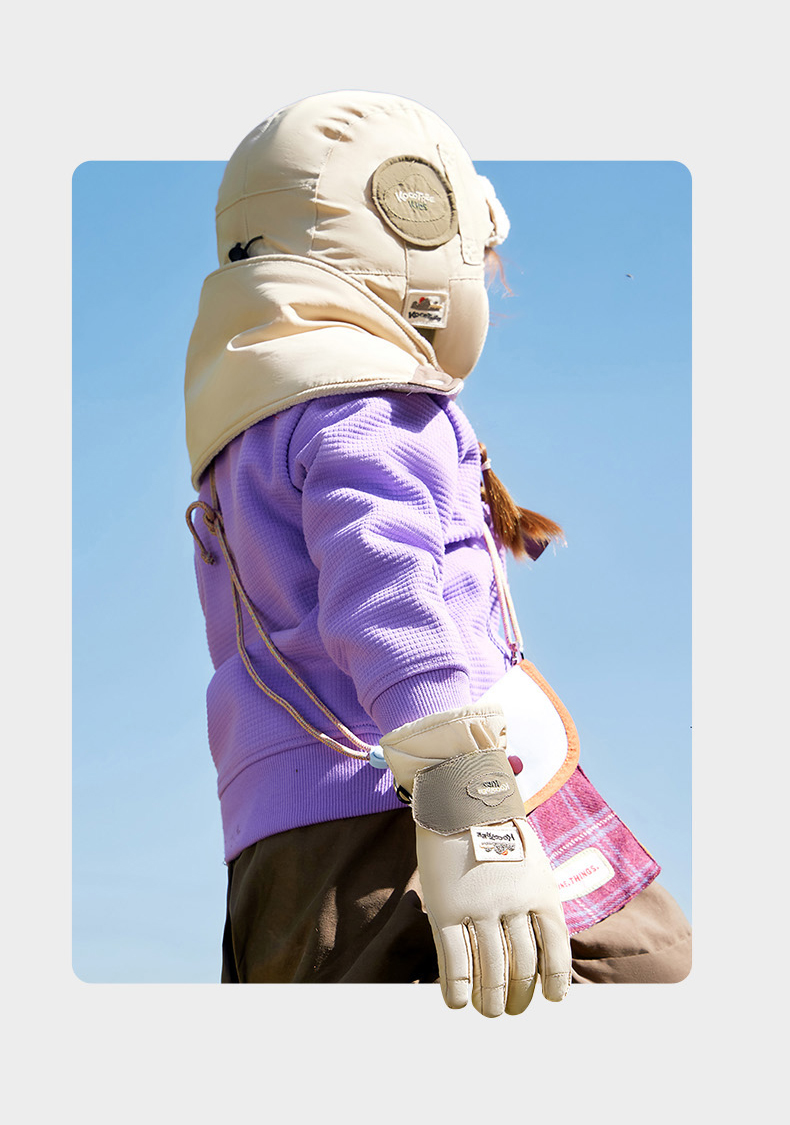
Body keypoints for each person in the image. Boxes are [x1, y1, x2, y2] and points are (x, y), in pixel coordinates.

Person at [184, 90, 691, 1016]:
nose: (491, 284)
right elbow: (387, 596)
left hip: (284, 846)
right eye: (483, 262)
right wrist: (471, 804)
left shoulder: (256, 418)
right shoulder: (365, 403)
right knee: (654, 977)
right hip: (407, 801)